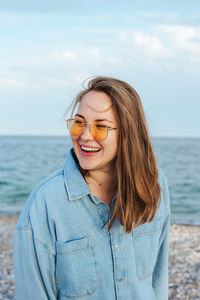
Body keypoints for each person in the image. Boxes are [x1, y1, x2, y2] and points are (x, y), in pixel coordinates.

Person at [14, 76, 170, 300]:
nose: (85, 136)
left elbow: (158, 281)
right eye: (79, 122)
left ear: (127, 133)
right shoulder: (45, 202)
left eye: (100, 127)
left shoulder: (156, 186)